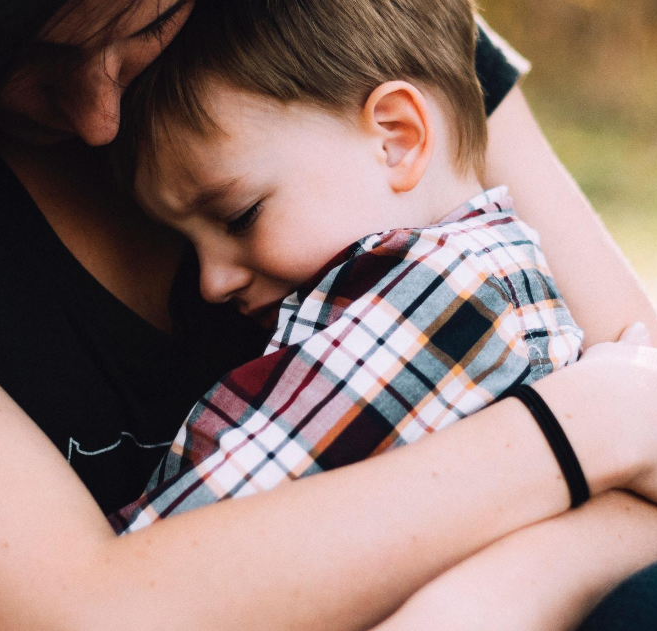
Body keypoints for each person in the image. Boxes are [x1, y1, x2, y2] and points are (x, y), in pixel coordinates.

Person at [0, 1, 657, 630]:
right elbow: (81, 618)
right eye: (21, 59)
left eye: (146, 21)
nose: (96, 118)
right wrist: (584, 429)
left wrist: (501, 594)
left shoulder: (346, 37)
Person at [106, 0, 586, 532]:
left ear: (397, 139)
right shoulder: (489, 271)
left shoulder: (439, 298)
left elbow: (194, 536)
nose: (210, 282)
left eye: (240, 217)